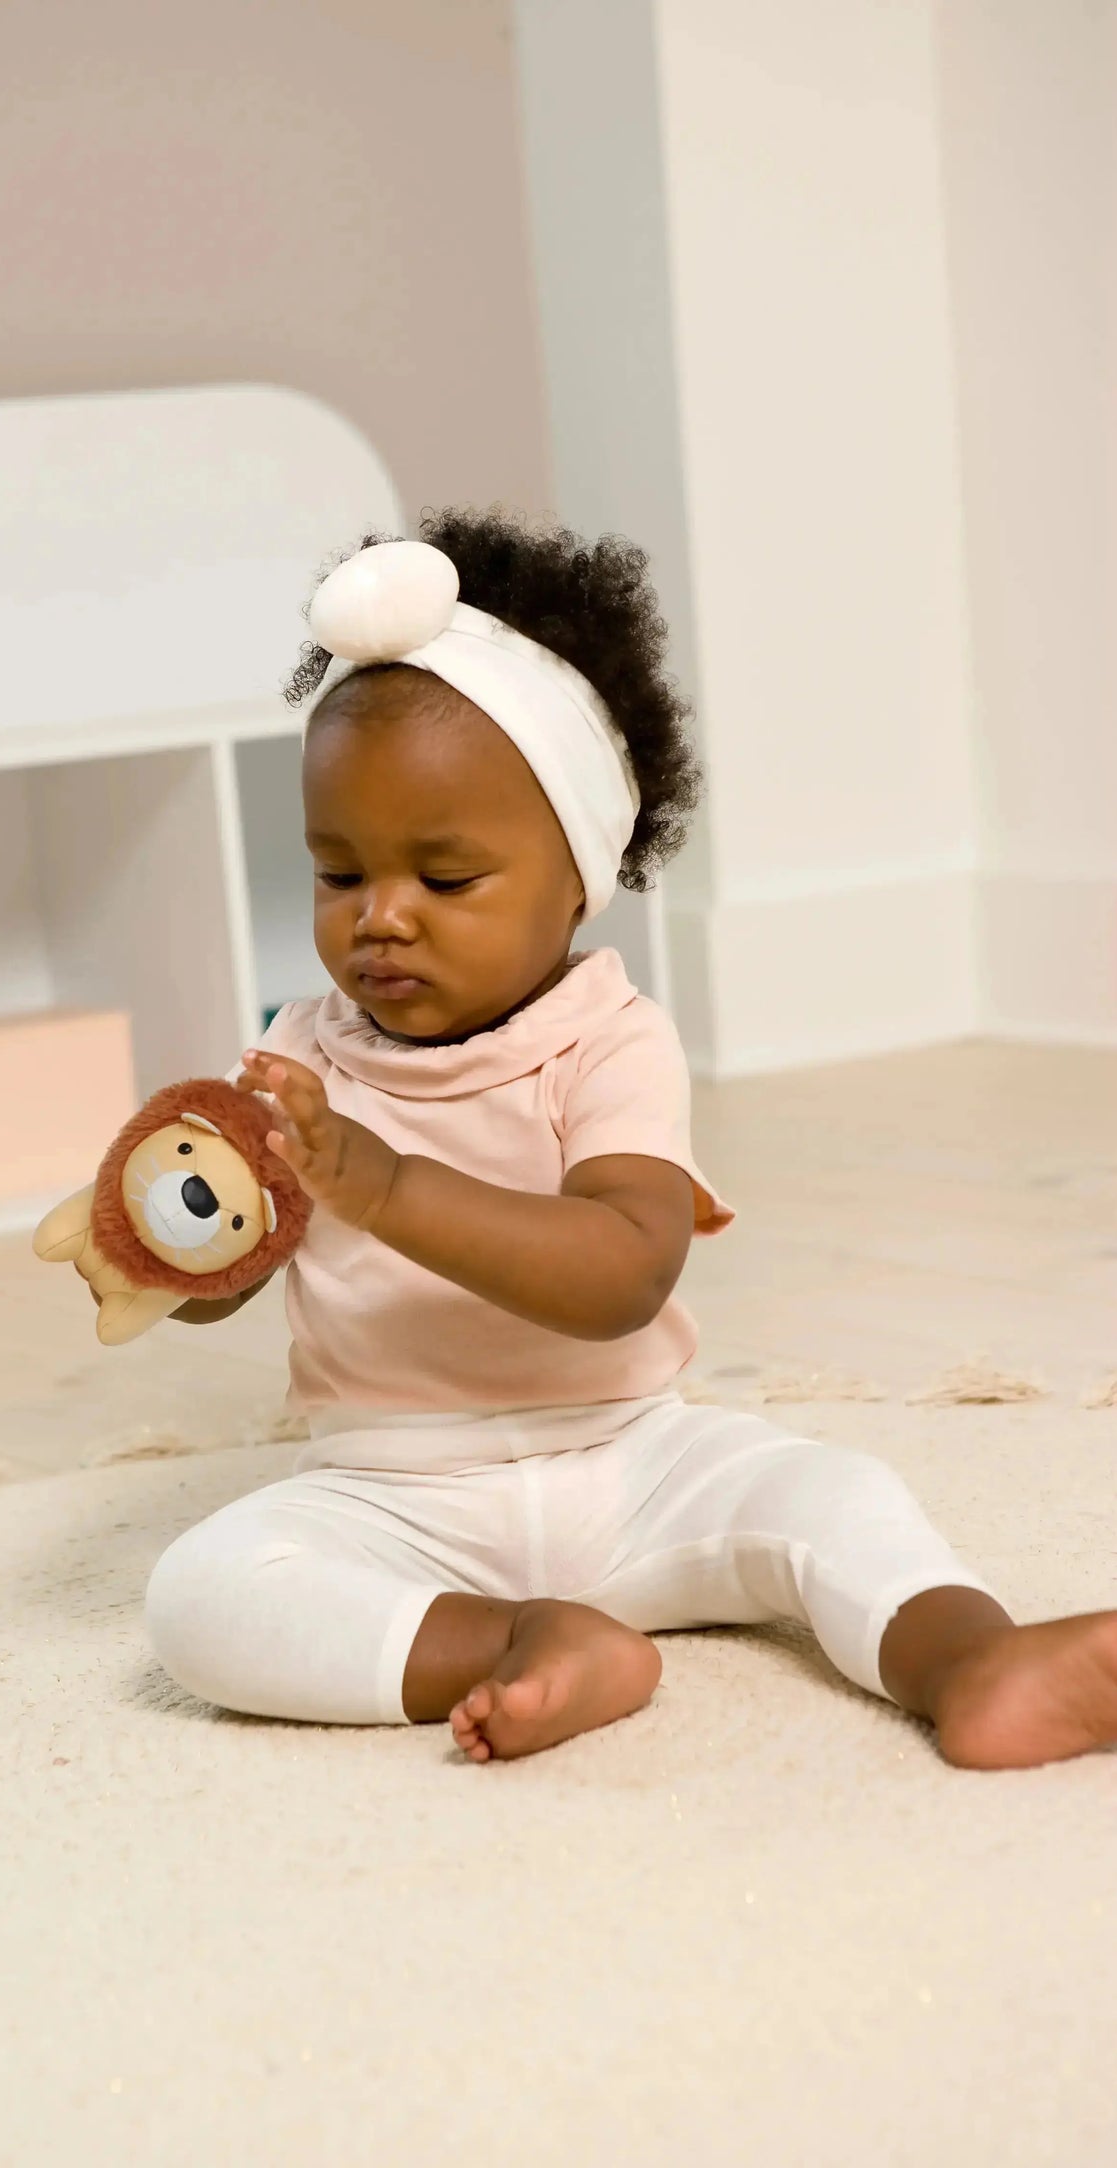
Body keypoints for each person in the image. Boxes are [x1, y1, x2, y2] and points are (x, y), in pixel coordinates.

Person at [144, 511, 1117, 1768]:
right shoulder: (301, 1054)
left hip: (633, 1461)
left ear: (576, 874)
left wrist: (381, 1184)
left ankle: (968, 1662)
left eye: (443, 880)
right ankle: (517, 1640)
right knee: (200, 1594)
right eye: (338, 874)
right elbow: (225, 1272)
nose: (380, 917)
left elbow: (618, 1275)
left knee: (832, 1496)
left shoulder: (608, 1040)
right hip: (396, 1491)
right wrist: (172, 1240)